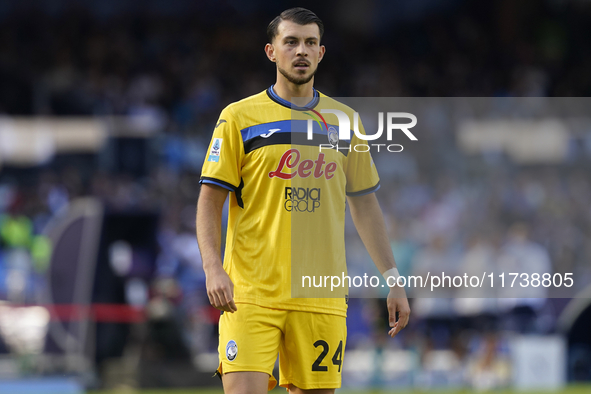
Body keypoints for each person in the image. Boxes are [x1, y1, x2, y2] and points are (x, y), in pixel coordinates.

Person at [196, 8, 410, 394]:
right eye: (290, 42)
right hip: (251, 295)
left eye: (310, 42)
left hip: (320, 297)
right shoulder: (238, 118)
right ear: (271, 52)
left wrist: (392, 279)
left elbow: (364, 205)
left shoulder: (345, 122)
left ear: (321, 53)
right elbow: (210, 200)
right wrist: (213, 267)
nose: (301, 51)